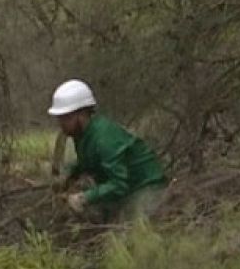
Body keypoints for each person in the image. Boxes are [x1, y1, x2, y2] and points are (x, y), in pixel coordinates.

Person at [48, 79, 169, 222]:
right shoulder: (81, 135)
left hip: (147, 188)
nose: (61, 124)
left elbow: (119, 185)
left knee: (129, 232)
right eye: (60, 118)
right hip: (127, 188)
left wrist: (84, 197)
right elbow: (88, 161)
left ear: (81, 114)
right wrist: (68, 175)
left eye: (65, 118)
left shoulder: (104, 137)